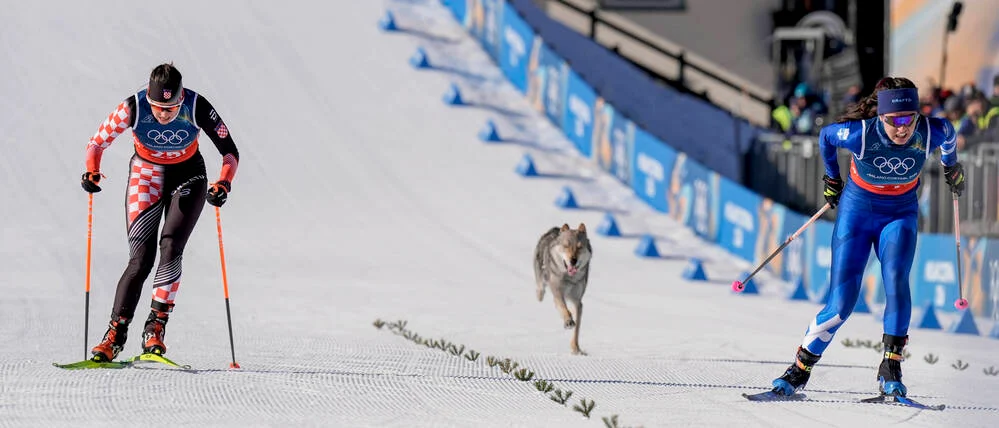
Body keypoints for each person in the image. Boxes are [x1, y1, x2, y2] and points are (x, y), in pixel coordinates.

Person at [770, 77, 965, 397]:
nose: (903, 128)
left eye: (909, 119)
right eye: (894, 121)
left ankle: (891, 366)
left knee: (896, 282)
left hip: (900, 214)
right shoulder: (861, 134)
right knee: (842, 302)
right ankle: (799, 370)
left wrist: (951, 166)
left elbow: (950, 137)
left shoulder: (931, 130)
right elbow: (826, 137)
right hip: (857, 214)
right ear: (880, 117)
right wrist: (832, 179)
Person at [82, 63, 240, 362]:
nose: (164, 114)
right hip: (146, 175)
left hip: (188, 176)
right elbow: (97, 141)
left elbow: (229, 150)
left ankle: (155, 328)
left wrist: (224, 183)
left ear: (181, 99)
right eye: (158, 107)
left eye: (171, 107)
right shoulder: (133, 106)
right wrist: (92, 170)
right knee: (141, 259)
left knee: (171, 247)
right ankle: (115, 335)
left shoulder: (197, 105)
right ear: (149, 99)